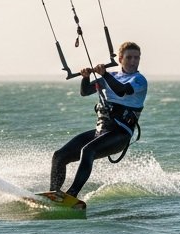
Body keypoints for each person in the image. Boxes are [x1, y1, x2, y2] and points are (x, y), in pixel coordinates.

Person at [50, 41, 147, 203]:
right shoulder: (113, 76)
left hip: (120, 134)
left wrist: (105, 74)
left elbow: (121, 91)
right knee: (59, 156)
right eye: (129, 57)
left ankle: (71, 195)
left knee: (88, 150)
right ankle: (53, 195)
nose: (133, 61)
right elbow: (85, 91)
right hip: (101, 131)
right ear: (120, 59)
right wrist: (86, 77)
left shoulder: (139, 80)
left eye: (136, 58)